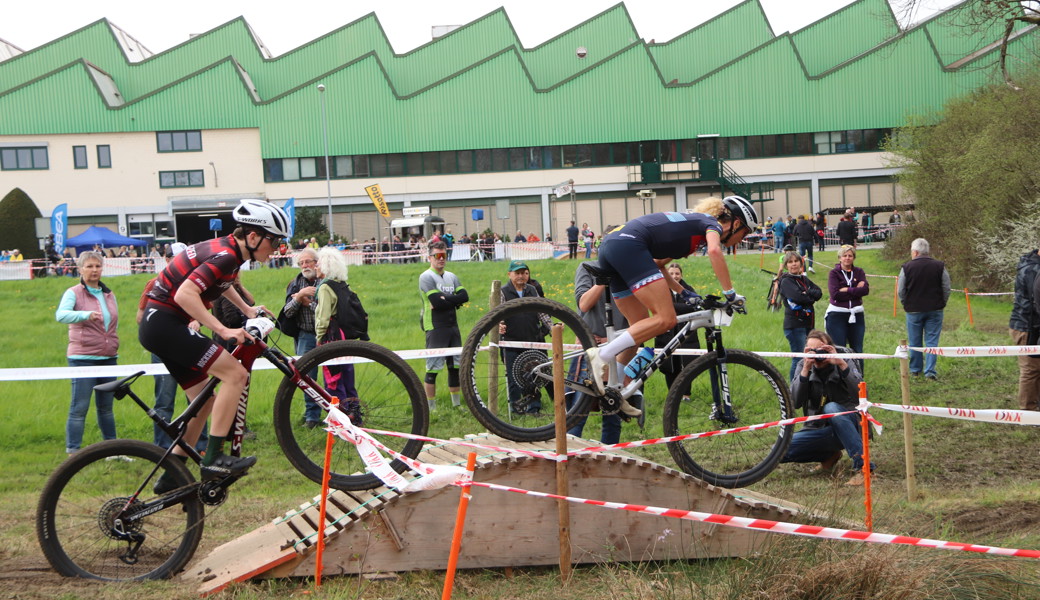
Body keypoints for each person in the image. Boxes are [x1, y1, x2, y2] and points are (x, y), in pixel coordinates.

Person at [140, 199, 287, 492]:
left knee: (204, 402)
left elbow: (223, 282)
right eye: (275, 241)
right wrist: (223, 330)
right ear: (254, 236)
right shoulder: (226, 255)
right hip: (166, 323)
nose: (279, 248)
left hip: (160, 324)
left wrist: (247, 311)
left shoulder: (229, 251)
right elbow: (185, 295)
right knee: (235, 375)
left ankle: (173, 474)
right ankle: (215, 458)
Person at [586, 196, 758, 412]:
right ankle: (601, 355)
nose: (743, 239)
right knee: (665, 319)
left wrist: (684, 292)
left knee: (641, 327)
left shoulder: (694, 230)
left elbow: (658, 264)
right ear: (735, 223)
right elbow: (715, 252)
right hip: (628, 245)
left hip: (614, 245)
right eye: (746, 232)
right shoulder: (710, 223)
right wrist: (730, 294)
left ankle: (615, 388)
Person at [780, 330, 873, 486]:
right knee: (780, 451)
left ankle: (864, 469)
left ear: (831, 347)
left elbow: (862, 396)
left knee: (831, 408)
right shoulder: (804, 364)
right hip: (819, 427)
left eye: (821, 350)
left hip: (852, 423)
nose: (818, 355)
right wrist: (805, 371)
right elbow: (794, 402)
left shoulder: (844, 357)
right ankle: (828, 455)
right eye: (813, 351)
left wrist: (841, 364)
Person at [56, 251, 120, 454]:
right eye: (90, 266)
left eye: (97, 266)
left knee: (106, 408)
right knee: (79, 407)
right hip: (82, 359)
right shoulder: (73, 292)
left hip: (108, 358)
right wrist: (85, 315)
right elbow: (61, 315)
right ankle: (73, 452)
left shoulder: (109, 294)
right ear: (80, 269)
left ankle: (112, 451)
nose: (94, 270)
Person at [567, 261, 632, 442]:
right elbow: (584, 304)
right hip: (591, 346)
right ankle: (569, 454)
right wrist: (602, 280)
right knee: (580, 406)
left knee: (613, 407)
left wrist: (618, 340)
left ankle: (610, 456)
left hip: (619, 347)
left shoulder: (629, 267)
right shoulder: (587, 267)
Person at [314, 247, 368, 423]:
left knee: (334, 381)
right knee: (348, 378)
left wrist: (319, 338)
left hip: (332, 335)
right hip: (346, 336)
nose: (315, 267)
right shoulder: (342, 284)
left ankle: (342, 421)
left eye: (318, 263)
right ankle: (356, 417)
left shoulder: (325, 287)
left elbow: (323, 318)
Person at [419, 241, 468, 410]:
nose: (441, 259)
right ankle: (431, 409)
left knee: (454, 367)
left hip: (452, 326)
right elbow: (435, 303)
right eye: (437, 256)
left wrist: (445, 299)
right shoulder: (426, 277)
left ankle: (456, 405)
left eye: (444, 256)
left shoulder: (451, 276)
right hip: (435, 326)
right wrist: (453, 300)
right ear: (430, 257)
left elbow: (464, 296)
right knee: (432, 369)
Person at [499, 260, 550, 415]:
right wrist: (499, 325)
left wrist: (552, 328)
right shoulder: (503, 292)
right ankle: (516, 409)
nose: (520, 276)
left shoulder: (532, 290)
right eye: (517, 273)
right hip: (511, 341)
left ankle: (534, 407)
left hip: (532, 340)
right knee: (513, 377)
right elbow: (497, 314)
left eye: (523, 273)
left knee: (533, 374)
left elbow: (542, 311)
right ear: (510, 274)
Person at [897, 238, 951, 381]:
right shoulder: (940, 266)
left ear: (914, 252)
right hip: (935, 309)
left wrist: (905, 303)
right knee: (932, 341)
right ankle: (930, 371)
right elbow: (946, 287)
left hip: (913, 310)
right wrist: (942, 302)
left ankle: (915, 370)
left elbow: (901, 290)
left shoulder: (906, 267)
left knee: (915, 341)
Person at [281, 248, 322, 426]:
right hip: (305, 336)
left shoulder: (326, 282)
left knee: (333, 376)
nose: (305, 266)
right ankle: (312, 417)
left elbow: (327, 312)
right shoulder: (295, 284)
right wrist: (299, 297)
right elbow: (287, 312)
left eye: (308, 262)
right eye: (301, 263)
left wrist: (309, 303)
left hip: (327, 335)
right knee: (306, 377)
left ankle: (336, 416)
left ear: (316, 262)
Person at [654, 263, 701, 402]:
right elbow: (659, 307)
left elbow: (695, 307)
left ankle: (686, 394)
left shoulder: (688, 290)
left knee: (686, 366)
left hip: (687, 335)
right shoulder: (660, 289)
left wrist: (671, 307)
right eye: (671, 273)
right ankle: (673, 395)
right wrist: (683, 307)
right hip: (666, 335)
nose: (674, 276)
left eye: (677, 273)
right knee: (669, 366)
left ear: (681, 275)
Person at [778, 251, 823, 381]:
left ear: (800, 262)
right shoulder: (786, 281)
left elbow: (819, 293)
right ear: (786, 265)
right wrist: (809, 298)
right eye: (790, 262)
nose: (794, 264)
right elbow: (797, 297)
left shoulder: (803, 279)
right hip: (795, 325)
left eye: (796, 261)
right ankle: (794, 388)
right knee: (799, 358)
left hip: (808, 324)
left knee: (809, 356)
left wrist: (807, 292)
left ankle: (806, 385)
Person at [824, 245, 869, 372]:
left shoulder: (859, 272)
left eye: (850, 256)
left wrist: (848, 289)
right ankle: (840, 378)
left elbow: (865, 290)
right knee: (839, 348)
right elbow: (835, 294)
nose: (847, 258)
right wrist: (856, 290)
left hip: (857, 315)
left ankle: (858, 378)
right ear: (840, 258)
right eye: (844, 256)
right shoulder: (834, 273)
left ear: (854, 258)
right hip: (837, 315)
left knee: (857, 349)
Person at [1010, 248, 1040, 410]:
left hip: (1031, 323)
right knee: (1031, 369)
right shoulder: (1032, 269)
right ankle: (1028, 409)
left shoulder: (1031, 264)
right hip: (1026, 325)